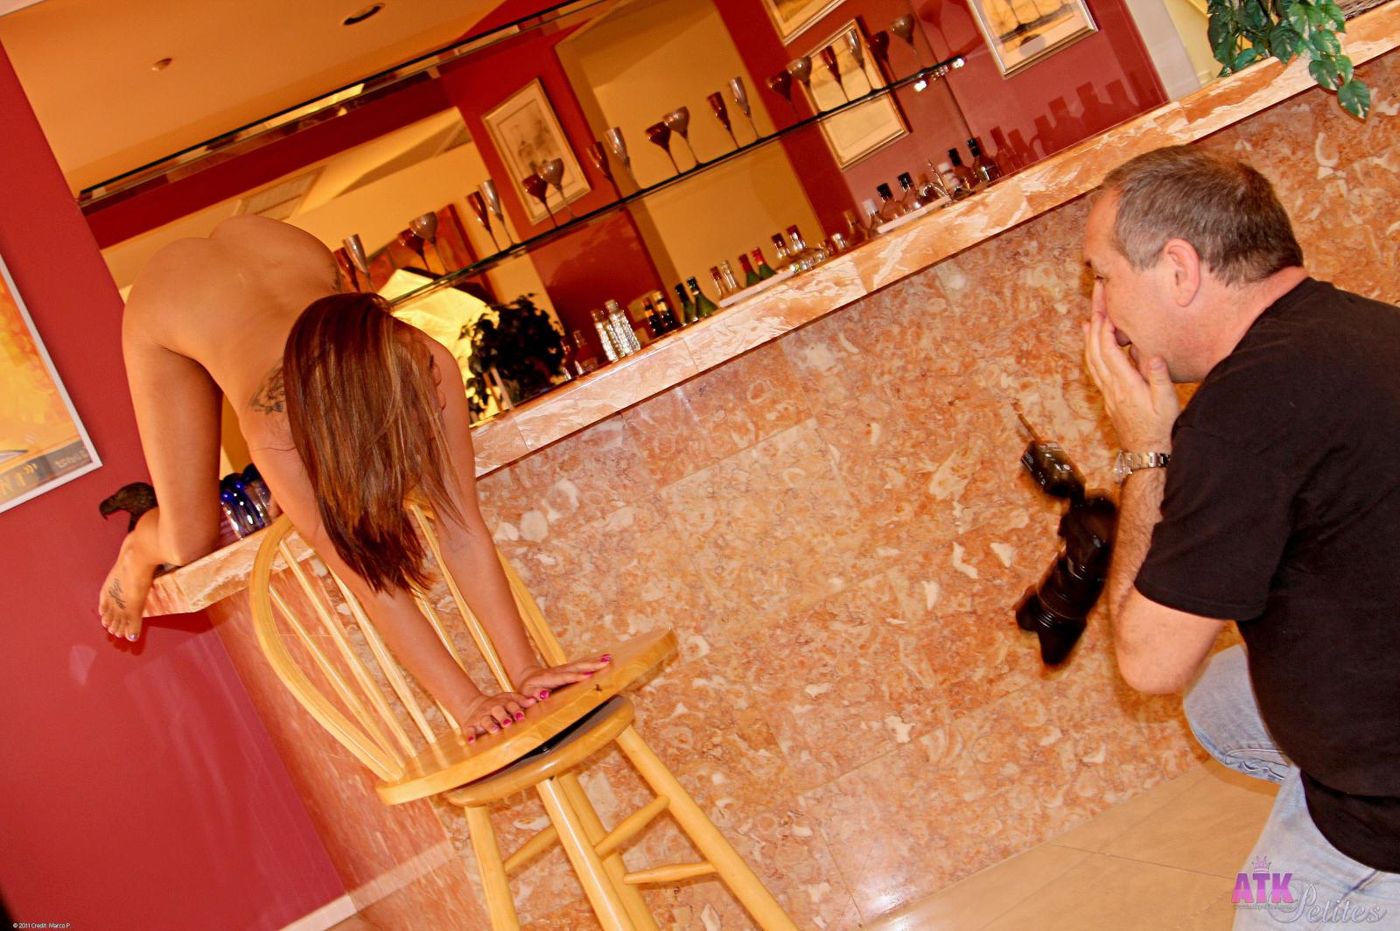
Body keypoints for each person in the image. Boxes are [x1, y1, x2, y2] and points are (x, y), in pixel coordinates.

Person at [97, 215, 606, 738]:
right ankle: (139, 546)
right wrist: (467, 702)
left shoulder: (428, 358)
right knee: (189, 538)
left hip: (277, 244)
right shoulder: (272, 424)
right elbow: (364, 576)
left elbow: (462, 527)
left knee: (339, 475)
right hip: (172, 296)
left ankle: (294, 490)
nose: (435, 406)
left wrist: (527, 672)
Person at [1081, 146, 1400, 928]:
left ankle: (1331, 874)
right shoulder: (1364, 327)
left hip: (1384, 811)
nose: (1101, 310)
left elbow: (1148, 661)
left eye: (1103, 276)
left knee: (1262, 902)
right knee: (1218, 699)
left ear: (1179, 269)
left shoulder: (1239, 418)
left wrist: (1147, 451)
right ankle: (1311, 793)